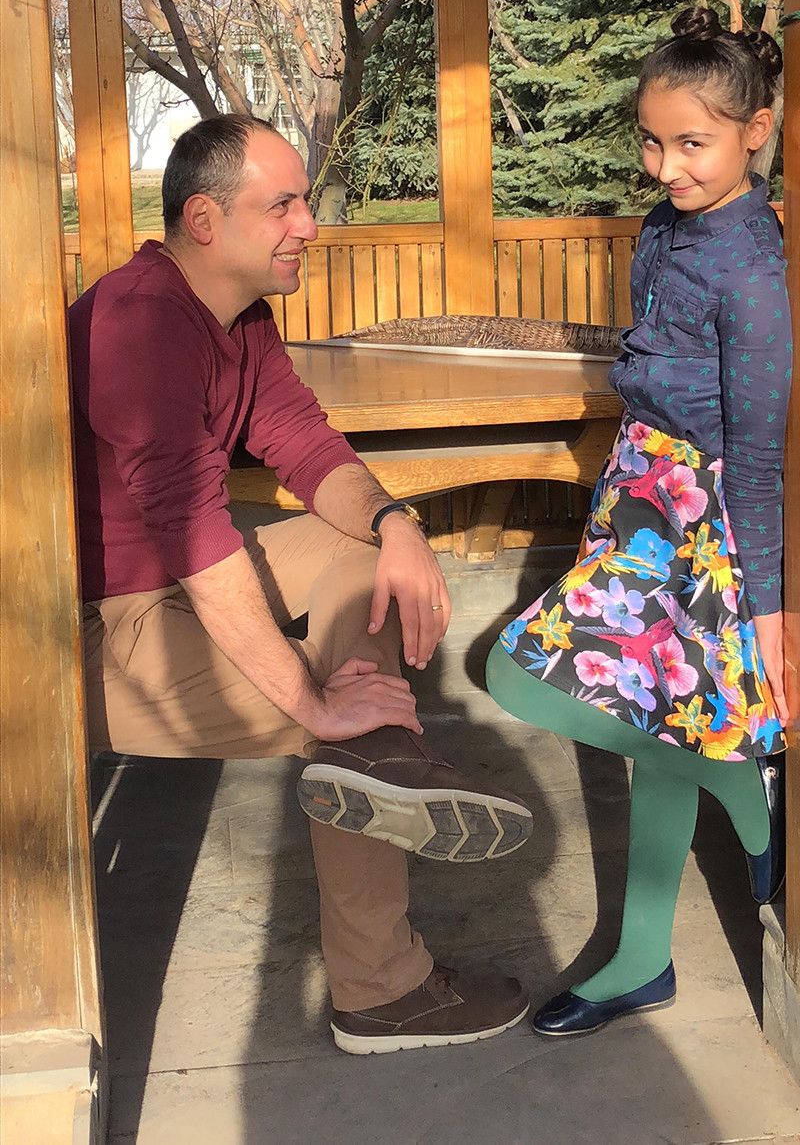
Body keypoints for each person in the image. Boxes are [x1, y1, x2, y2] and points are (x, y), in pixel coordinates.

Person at [70, 114, 533, 1055]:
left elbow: (305, 442)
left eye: (304, 202)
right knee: (347, 721)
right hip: (87, 627)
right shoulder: (141, 323)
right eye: (282, 204)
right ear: (205, 220)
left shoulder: (239, 317)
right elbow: (196, 534)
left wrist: (397, 524)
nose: (309, 224)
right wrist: (315, 701)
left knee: (362, 561)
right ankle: (383, 980)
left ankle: (379, 762)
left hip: (169, 580)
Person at [486, 5, 791, 1037]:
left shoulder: (753, 267)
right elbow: (650, 368)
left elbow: (757, 450)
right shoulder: (663, 231)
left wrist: (769, 607)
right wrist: (620, 497)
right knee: (658, 727)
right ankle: (646, 953)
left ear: (755, 130)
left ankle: (743, 794)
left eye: (692, 143)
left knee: (515, 672)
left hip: (704, 523)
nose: (667, 167)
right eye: (653, 142)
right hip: (639, 492)